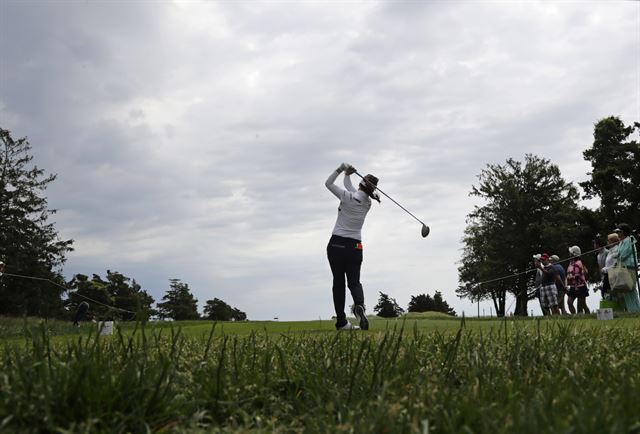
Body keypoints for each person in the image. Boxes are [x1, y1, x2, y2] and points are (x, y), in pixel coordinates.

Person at [325, 163, 379, 330]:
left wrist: (341, 169)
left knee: (338, 283)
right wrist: (348, 175)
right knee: (354, 282)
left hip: (336, 244)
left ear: (361, 184)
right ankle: (359, 305)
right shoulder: (368, 203)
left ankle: (342, 322)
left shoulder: (347, 197)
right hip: (355, 247)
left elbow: (328, 184)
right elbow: (353, 189)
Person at [614, 223, 640, 312]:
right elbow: (619, 255)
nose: (617, 233)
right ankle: (631, 310)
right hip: (624, 268)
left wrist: (616, 256)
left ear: (624, 232)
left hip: (630, 267)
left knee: (631, 289)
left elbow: (623, 255)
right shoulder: (622, 242)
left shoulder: (629, 240)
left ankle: (636, 310)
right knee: (626, 290)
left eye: (619, 231)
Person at [566, 246, 590, 314]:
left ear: (574, 254)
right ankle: (574, 317)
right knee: (569, 302)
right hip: (573, 286)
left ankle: (588, 315)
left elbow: (577, 275)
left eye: (570, 253)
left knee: (582, 305)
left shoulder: (578, 263)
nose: (569, 254)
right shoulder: (571, 262)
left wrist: (571, 280)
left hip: (580, 286)